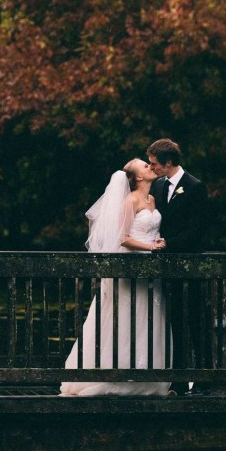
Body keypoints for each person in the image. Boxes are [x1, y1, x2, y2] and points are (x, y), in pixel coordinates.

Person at [60, 159, 172, 396]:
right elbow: (122, 238)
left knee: (148, 316)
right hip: (130, 266)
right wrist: (149, 248)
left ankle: (150, 376)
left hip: (151, 270)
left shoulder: (153, 199)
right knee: (126, 316)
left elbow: (150, 230)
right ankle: (118, 374)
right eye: (145, 166)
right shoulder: (129, 201)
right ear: (138, 177)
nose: (150, 167)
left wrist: (157, 242)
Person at [146, 138, 209, 395]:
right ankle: (179, 379)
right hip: (167, 267)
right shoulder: (159, 186)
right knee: (173, 323)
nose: (151, 168)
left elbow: (198, 229)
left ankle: (205, 378)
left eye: (154, 163)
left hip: (189, 265)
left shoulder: (195, 187)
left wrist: (168, 243)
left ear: (168, 162)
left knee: (195, 321)